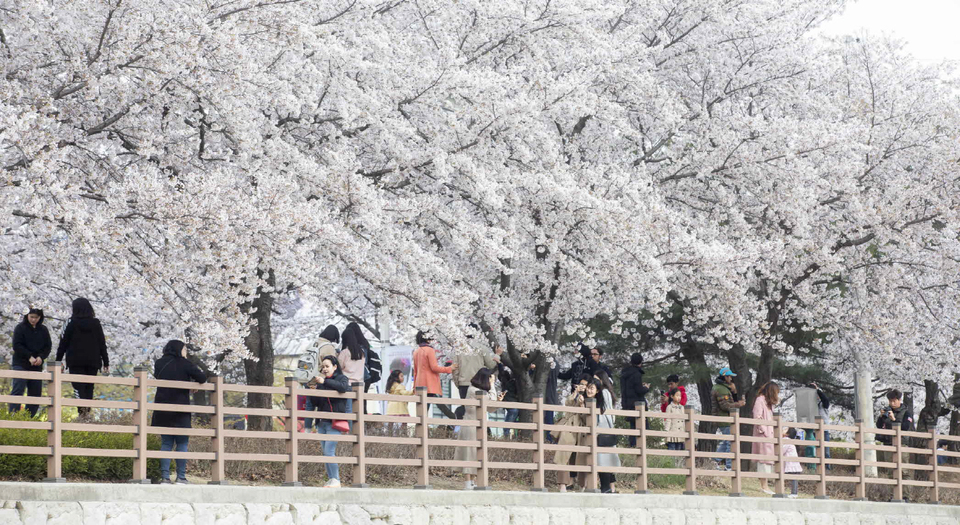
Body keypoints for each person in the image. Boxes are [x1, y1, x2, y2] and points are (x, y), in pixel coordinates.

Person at [153, 340, 207, 484]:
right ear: (179, 349)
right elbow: (202, 377)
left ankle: (165, 477)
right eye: (184, 349)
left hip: (162, 407)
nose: (186, 352)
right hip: (181, 408)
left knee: (166, 443)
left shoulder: (159, 363)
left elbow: (159, 376)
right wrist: (192, 383)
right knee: (182, 443)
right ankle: (181, 477)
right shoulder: (185, 363)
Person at [55, 298, 109, 420]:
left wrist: (58, 361)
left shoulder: (70, 322)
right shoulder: (96, 323)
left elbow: (63, 343)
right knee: (89, 387)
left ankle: (82, 413)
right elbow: (102, 343)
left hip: (76, 361)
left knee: (78, 387)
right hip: (93, 361)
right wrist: (106, 362)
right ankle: (87, 413)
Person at [572, 377, 620, 493]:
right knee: (599, 460)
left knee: (604, 460)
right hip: (593, 435)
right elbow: (584, 419)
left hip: (602, 433)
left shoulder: (602, 400)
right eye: (588, 388)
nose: (589, 391)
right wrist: (582, 406)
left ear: (598, 390)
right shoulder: (584, 401)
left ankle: (606, 487)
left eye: (592, 388)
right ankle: (604, 487)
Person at [454, 368, 499, 489]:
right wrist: (492, 385)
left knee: (477, 453)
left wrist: (497, 399)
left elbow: (490, 407)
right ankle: (468, 482)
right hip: (471, 424)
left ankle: (473, 482)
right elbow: (491, 400)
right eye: (490, 378)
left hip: (478, 425)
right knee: (470, 452)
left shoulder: (479, 391)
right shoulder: (474, 390)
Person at [311, 355, 350, 488]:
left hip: (334, 422)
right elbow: (316, 402)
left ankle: (336, 480)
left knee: (329, 451)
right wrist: (313, 390)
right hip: (322, 422)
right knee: (325, 453)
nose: (325, 369)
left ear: (335, 366)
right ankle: (331, 479)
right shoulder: (321, 382)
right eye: (323, 367)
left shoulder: (341, 378)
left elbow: (343, 387)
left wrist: (324, 382)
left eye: (327, 366)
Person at [9, 308, 52, 417]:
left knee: (35, 393)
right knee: (18, 389)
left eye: (36, 317)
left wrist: (41, 357)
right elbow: (17, 345)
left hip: (37, 365)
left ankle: (29, 418)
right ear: (27, 316)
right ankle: (13, 416)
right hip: (21, 363)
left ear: (40, 317)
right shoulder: (20, 328)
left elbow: (48, 346)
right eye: (31, 317)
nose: (33, 319)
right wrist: (29, 356)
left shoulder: (43, 330)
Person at [297, 324, 340, 431]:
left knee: (309, 404)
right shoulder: (328, 347)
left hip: (308, 377)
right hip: (319, 379)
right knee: (322, 403)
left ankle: (307, 429)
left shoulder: (313, 344)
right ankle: (319, 427)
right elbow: (331, 364)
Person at [553, 374, 590, 492]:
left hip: (582, 431)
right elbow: (568, 403)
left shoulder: (591, 398)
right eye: (581, 384)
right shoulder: (574, 396)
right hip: (569, 428)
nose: (583, 387)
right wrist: (576, 393)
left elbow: (587, 419)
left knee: (583, 458)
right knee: (563, 456)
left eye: (586, 385)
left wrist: (583, 405)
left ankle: (582, 485)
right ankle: (562, 484)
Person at [452, 335, 500, 419]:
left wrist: (458, 383)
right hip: (479, 383)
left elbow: (455, 369)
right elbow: (491, 365)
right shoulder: (482, 348)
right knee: (480, 409)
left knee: (466, 410)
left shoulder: (458, 349)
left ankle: (464, 429)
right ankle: (479, 429)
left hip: (464, 382)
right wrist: (497, 356)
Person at [412, 331, 457, 419]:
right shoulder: (430, 350)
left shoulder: (416, 351)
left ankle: (453, 418)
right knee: (433, 405)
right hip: (430, 383)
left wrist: (414, 387)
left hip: (419, 384)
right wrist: (449, 368)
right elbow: (434, 368)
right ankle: (454, 419)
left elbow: (415, 371)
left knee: (423, 409)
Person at [712, 366, 745, 470]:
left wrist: (734, 392)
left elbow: (730, 402)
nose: (731, 379)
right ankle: (729, 465)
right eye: (730, 376)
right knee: (730, 442)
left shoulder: (723, 388)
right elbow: (725, 406)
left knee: (727, 441)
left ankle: (715, 461)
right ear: (725, 377)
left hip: (724, 418)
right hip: (724, 418)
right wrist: (738, 405)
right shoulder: (721, 389)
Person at [876, 389, 914, 474]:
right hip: (888, 442)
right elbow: (879, 426)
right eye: (890, 401)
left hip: (902, 443)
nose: (892, 403)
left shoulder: (906, 412)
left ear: (899, 400)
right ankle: (892, 487)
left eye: (894, 401)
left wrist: (894, 419)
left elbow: (905, 427)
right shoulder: (888, 411)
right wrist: (881, 417)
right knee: (890, 470)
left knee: (904, 471)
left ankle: (905, 487)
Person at [752, 381, 780, 495]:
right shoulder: (760, 400)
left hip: (769, 434)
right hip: (763, 434)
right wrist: (763, 430)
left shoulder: (768, 403)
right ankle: (764, 486)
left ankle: (766, 485)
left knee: (768, 460)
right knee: (763, 460)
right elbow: (757, 416)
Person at [338, 322, 368, 416]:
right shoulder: (361, 353)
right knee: (357, 412)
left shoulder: (344, 353)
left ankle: (349, 430)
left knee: (348, 411)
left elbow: (339, 367)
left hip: (347, 384)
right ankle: (357, 430)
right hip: (359, 385)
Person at [620, 352, 650, 447]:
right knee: (642, 427)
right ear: (640, 362)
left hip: (627, 403)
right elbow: (639, 390)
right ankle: (640, 447)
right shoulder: (637, 374)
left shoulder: (624, 374)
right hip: (637, 404)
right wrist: (646, 388)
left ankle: (633, 446)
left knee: (633, 428)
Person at [497, 362, 520, 438]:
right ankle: (506, 433)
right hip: (510, 399)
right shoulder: (507, 379)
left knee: (514, 414)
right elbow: (502, 373)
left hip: (513, 399)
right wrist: (499, 363)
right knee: (514, 411)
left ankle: (508, 432)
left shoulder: (517, 378)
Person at [664, 387, 686, 458]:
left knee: (679, 451)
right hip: (672, 431)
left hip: (680, 433)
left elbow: (684, 420)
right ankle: (671, 466)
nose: (679, 397)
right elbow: (668, 419)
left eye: (680, 395)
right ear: (672, 396)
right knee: (672, 451)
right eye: (677, 395)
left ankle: (678, 467)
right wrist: (666, 431)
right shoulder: (669, 407)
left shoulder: (682, 407)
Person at [783, 427, 803, 498]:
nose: (783, 429)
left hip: (790, 462)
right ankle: (794, 493)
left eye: (785, 429)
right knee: (794, 478)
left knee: (790, 477)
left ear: (787, 433)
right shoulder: (790, 441)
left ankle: (792, 493)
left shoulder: (786, 440)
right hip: (793, 462)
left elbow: (782, 450)